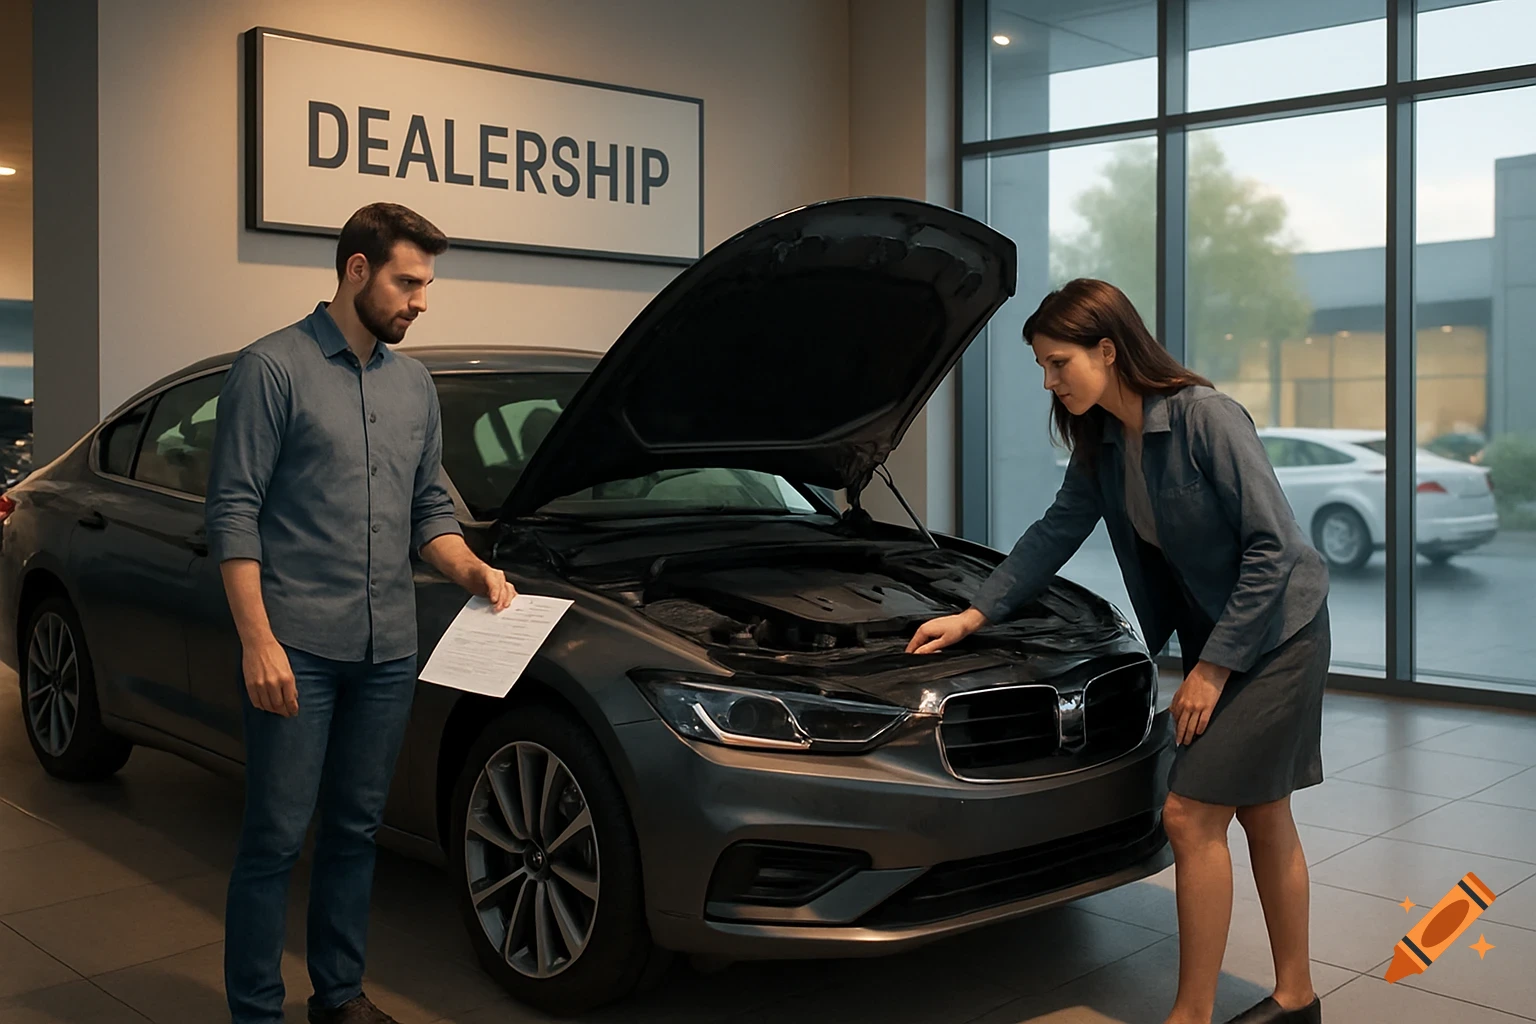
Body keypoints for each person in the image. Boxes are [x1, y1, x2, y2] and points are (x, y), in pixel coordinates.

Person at [907, 279, 1330, 1024]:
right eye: (1041, 364)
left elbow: (1277, 548)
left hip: (1279, 633)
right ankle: (1296, 998)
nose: (1048, 379)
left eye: (1058, 361)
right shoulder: (1103, 442)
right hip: (1220, 632)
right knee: (1263, 813)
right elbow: (1053, 532)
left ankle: (1190, 1016)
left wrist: (1211, 667)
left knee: (1191, 814)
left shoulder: (1207, 419)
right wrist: (974, 613)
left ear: (1108, 349)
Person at [206, 202, 515, 1024]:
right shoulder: (270, 369)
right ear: (356, 271)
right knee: (274, 839)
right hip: (296, 646)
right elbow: (233, 515)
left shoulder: (415, 386)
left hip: (387, 654)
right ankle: (255, 1011)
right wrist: (257, 640)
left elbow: (429, 517)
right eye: (408, 282)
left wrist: (473, 570)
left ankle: (338, 995)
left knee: (355, 831)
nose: (421, 300)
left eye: (426, 284)